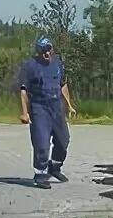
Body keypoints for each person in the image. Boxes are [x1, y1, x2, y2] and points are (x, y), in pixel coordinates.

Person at [18, 37, 77, 189]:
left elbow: (62, 85)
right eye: (42, 50)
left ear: (52, 49)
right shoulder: (29, 65)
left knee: (63, 141)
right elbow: (23, 90)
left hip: (56, 107)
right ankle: (40, 175)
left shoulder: (57, 63)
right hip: (39, 108)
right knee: (42, 144)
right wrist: (24, 112)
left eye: (48, 49)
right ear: (38, 51)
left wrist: (69, 105)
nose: (46, 52)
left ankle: (55, 167)